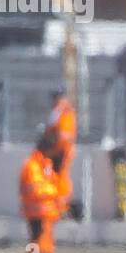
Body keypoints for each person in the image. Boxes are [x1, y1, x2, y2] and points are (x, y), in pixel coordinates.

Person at [20, 131, 62, 253]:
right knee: (34, 244)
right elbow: (36, 188)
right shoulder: (33, 165)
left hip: (46, 214)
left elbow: (55, 184)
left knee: (45, 244)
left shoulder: (46, 164)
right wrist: (54, 191)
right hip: (35, 213)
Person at [45, 89, 77, 217]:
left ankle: (62, 207)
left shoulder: (66, 112)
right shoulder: (57, 112)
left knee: (61, 178)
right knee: (53, 178)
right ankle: (56, 205)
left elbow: (64, 134)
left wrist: (53, 140)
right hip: (55, 150)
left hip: (62, 150)